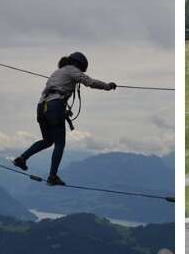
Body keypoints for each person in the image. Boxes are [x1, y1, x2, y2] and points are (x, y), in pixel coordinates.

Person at [12, 52, 116, 186]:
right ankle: (52, 176)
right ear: (79, 65)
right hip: (54, 107)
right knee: (59, 143)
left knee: (48, 140)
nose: (81, 71)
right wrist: (107, 86)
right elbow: (90, 82)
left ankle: (22, 158)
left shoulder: (57, 72)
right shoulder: (72, 70)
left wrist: (63, 112)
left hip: (41, 107)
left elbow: (54, 94)